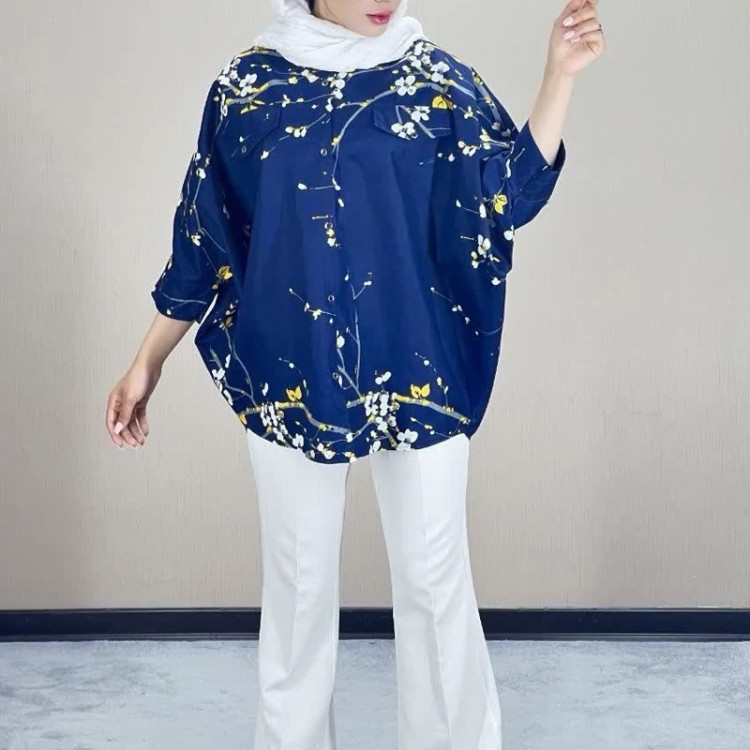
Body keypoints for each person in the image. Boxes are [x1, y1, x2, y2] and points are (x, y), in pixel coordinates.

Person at [106, 0, 604, 747]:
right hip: (290, 372)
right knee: (298, 592)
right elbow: (205, 238)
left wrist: (558, 76)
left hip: (419, 362)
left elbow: (509, 192)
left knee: (435, 586)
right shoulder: (248, 89)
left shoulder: (436, 81)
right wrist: (146, 361)